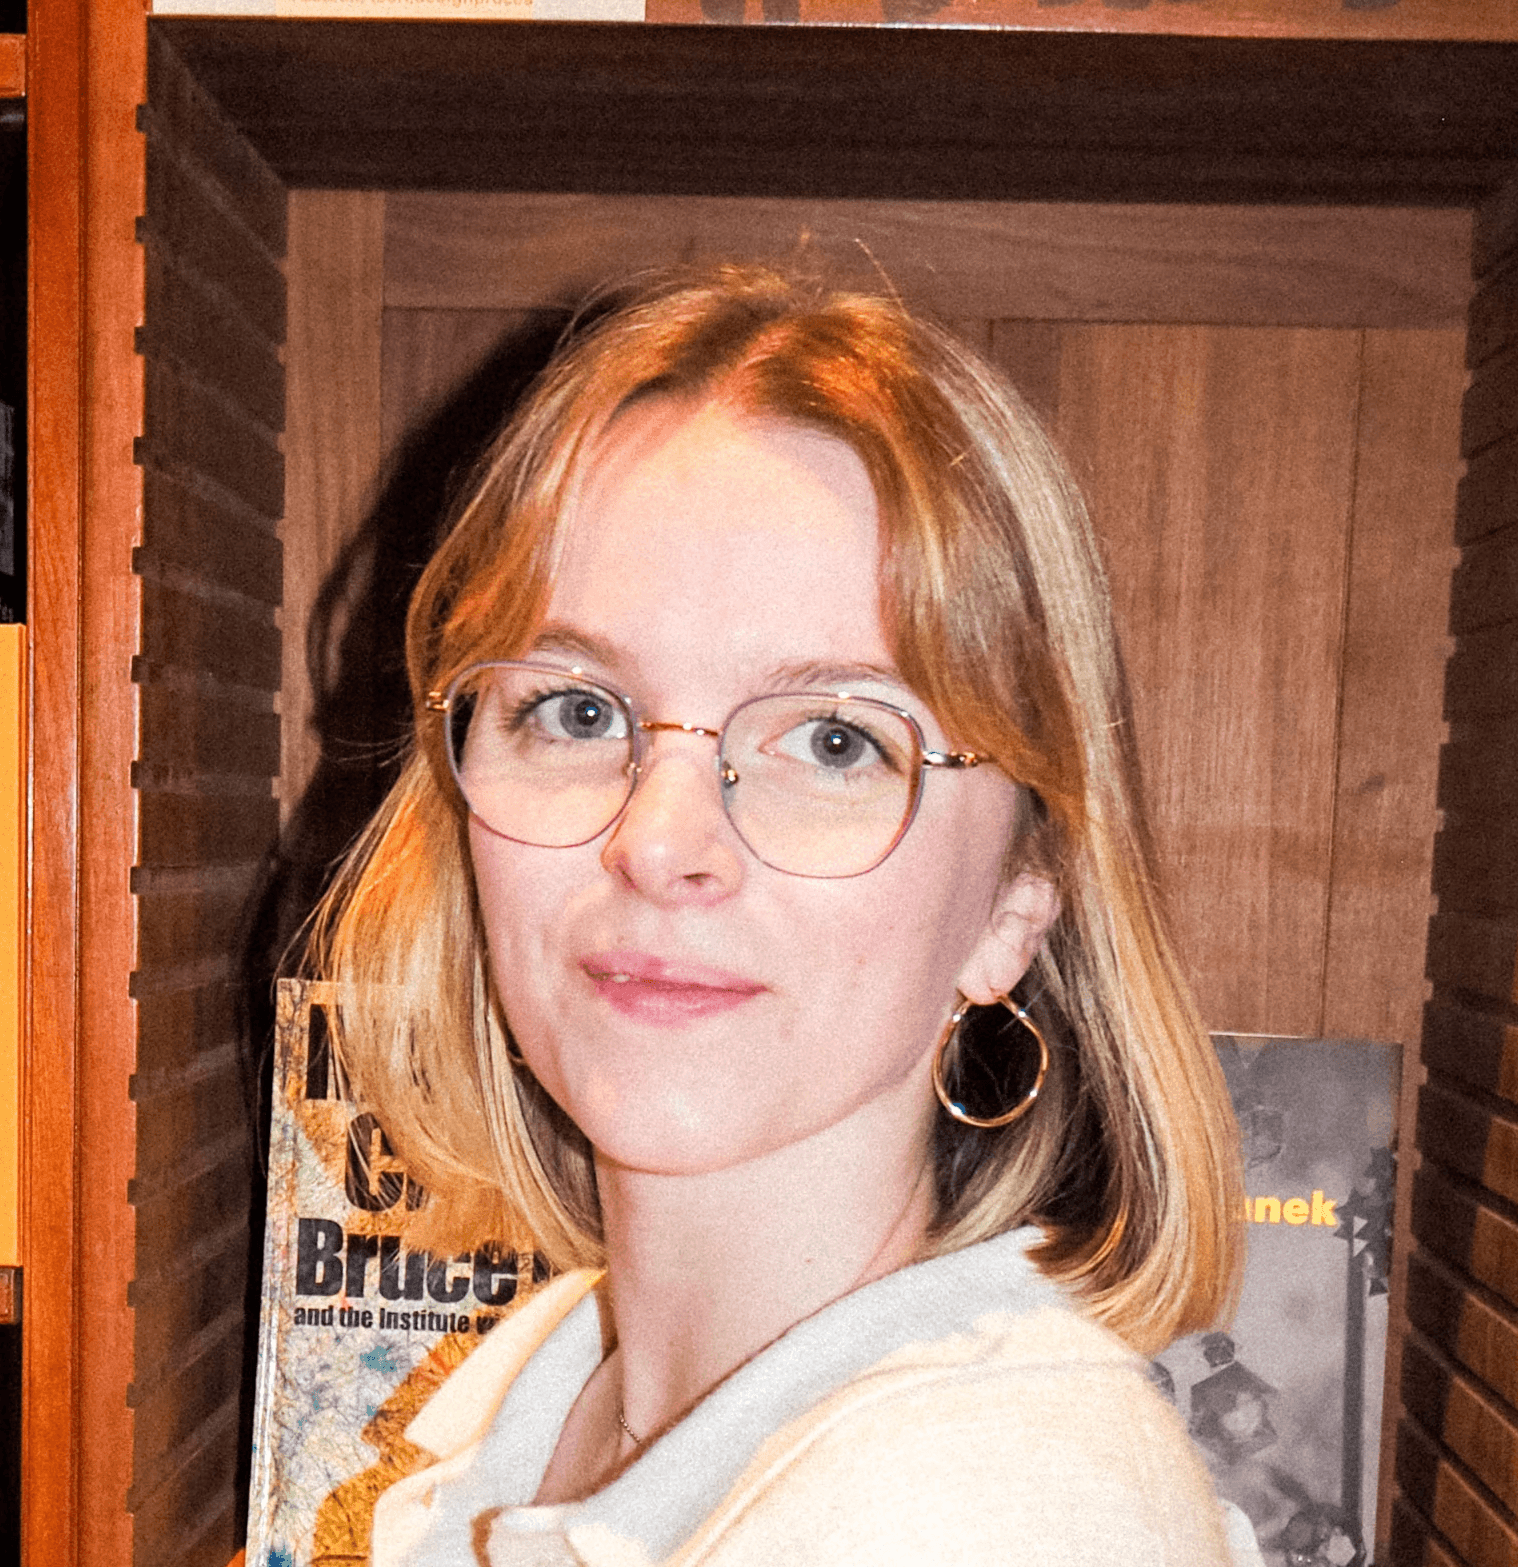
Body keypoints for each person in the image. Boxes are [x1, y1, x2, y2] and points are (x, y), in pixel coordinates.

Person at [308, 265, 1251, 1566]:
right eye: (577, 710)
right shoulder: (547, 1375)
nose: (657, 844)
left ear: (1015, 905)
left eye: (832, 739)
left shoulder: (992, 1516)